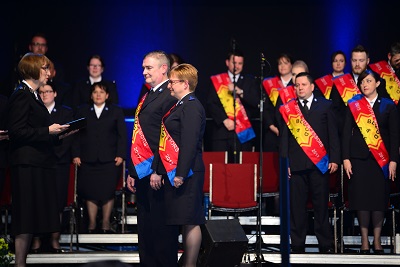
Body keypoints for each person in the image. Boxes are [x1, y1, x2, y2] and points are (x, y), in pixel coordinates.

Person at [5, 53, 70, 267]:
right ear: (32, 69)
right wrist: (47, 131)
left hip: (37, 162)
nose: (48, 73)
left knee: (32, 215)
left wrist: (58, 134)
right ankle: (19, 263)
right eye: (44, 68)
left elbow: (33, 130)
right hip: (26, 164)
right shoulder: (22, 94)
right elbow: (17, 132)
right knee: (25, 215)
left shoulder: (32, 95)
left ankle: (22, 262)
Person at [126, 50, 178, 266]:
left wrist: (157, 169)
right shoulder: (148, 94)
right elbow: (140, 134)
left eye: (149, 68)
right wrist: (132, 170)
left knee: (161, 231)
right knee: (146, 228)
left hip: (159, 173)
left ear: (163, 68)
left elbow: (168, 137)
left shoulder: (170, 95)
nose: (144, 72)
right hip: (142, 171)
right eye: (143, 68)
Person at [279, 72, 340, 253]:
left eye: (303, 85)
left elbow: (333, 135)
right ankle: (297, 243)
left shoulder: (325, 106)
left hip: (319, 165)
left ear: (312, 87)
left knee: (321, 206)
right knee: (297, 208)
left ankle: (325, 244)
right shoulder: (289, 108)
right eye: (297, 85)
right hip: (296, 166)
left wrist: (335, 159)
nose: (300, 88)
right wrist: (285, 163)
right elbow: (284, 139)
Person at [153, 63, 206, 267]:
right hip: (177, 171)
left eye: (173, 82)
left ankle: (190, 264)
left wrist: (181, 173)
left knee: (190, 219)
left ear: (185, 84)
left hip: (188, 172)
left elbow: (190, 143)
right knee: (184, 219)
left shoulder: (192, 106)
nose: (169, 86)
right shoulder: (180, 105)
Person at [342, 69, 399, 254]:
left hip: (380, 161)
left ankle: (377, 240)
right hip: (358, 160)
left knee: (378, 200)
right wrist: (346, 158)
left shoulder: (388, 106)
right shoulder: (353, 105)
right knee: (362, 200)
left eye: (368, 81)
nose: (364, 84)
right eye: (362, 82)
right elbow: (345, 134)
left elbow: (395, 136)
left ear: (377, 84)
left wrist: (393, 161)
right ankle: (364, 241)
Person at [72, 81, 127, 234]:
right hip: (87, 159)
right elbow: (75, 134)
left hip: (109, 159)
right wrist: (75, 154)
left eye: (101, 92)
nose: (98, 95)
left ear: (107, 95)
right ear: (91, 95)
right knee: (91, 191)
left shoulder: (115, 111)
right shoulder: (83, 110)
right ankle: (91, 223)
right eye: (95, 92)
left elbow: (122, 135)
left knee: (107, 191)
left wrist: (121, 154)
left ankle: (105, 222)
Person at [29, 81, 74, 253]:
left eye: (48, 91)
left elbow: (68, 137)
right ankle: (37, 240)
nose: (44, 94)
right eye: (41, 92)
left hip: (59, 163)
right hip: (39, 163)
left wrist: (54, 155)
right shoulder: (33, 112)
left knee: (57, 202)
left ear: (55, 93)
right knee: (38, 201)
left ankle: (55, 239)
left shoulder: (66, 112)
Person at [206, 49, 260, 162]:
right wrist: (224, 120)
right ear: (227, 62)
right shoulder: (218, 80)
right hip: (222, 132)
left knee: (242, 170)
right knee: (220, 169)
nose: (237, 66)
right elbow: (211, 103)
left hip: (243, 132)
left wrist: (240, 92)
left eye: (240, 63)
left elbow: (255, 102)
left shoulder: (250, 81)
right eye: (234, 63)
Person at [330, 45, 388, 137]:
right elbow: (334, 113)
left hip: (374, 137)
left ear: (368, 61)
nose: (357, 64)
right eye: (354, 60)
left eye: (361, 61)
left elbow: (385, 109)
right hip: (349, 137)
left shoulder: (379, 81)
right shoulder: (340, 82)